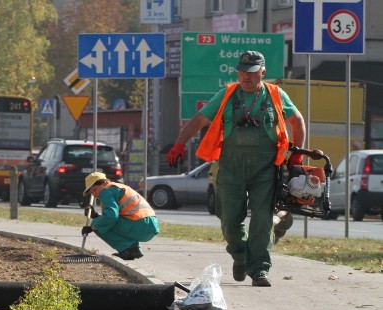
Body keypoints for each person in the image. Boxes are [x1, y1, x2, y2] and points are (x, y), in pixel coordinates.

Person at [166, 50, 306, 287]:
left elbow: (297, 121)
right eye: (242, 71)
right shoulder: (227, 95)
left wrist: (297, 155)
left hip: (265, 168)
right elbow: (199, 120)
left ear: (263, 72)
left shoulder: (275, 95)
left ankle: (259, 269)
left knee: (262, 219)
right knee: (229, 220)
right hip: (230, 167)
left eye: (251, 73)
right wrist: (180, 142)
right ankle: (241, 256)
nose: (246, 76)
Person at [81, 171, 160, 260]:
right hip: (149, 226)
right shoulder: (117, 187)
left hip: (140, 225)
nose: (94, 194)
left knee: (97, 224)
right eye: (91, 192)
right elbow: (116, 215)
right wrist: (96, 216)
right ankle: (133, 249)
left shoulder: (106, 192)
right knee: (100, 222)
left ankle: (128, 249)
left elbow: (111, 217)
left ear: (104, 183)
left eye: (94, 189)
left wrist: (92, 227)